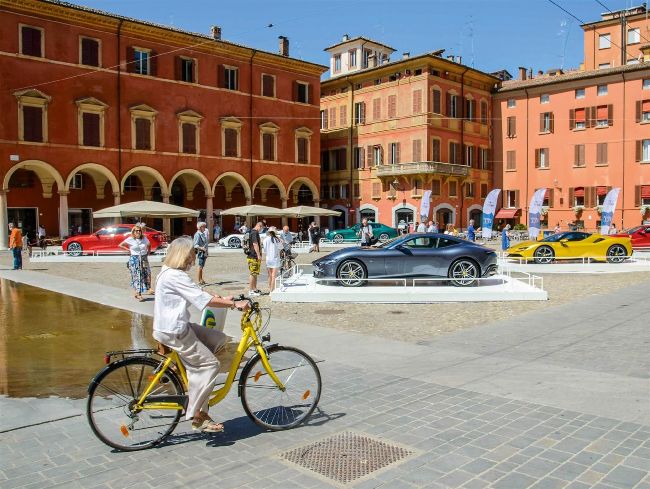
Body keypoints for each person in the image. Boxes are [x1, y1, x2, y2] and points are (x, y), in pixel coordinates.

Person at [153, 236, 249, 433]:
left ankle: (195, 374)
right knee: (210, 365)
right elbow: (202, 299)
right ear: (182, 256)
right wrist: (234, 304)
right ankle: (197, 415)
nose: (193, 259)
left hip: (175, 326)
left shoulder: (167, 272)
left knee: (218, 339)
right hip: (176, 331)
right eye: (191, 255)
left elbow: (195, 292)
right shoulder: (175, 276)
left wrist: (219, 298)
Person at [119, 226, 152, 301]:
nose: (138, 232)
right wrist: (129, 250)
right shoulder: (130, 239)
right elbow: (120, 245)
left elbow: (149, 245)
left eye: (139, 230)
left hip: (143, 258)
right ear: (133, 232)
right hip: (135, 259)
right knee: (137, 276)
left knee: (147, 274)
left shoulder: (144, 238)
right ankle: (138, 294)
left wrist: (148, 252)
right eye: (136, 230)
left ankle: (147, 289)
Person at [246, 221, 263, 297]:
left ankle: (254, 289)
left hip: (253, 256)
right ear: (259, 226)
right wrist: (258, 255)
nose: (261, 230)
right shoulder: (254, 233)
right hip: (253, 256)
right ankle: (250, 290)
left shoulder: (252, 232)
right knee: (253, 273)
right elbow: (255, 244)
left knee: (255, 273)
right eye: (261, 228)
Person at [263, 227, 282, 292]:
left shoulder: (265, 240)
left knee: (269, 275)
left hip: (268, 258)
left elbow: (265, 250)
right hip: (275, 258)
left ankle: (270, 289)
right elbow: (281, 248)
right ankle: (272, 290)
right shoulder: (277, 239)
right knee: (273, 275)